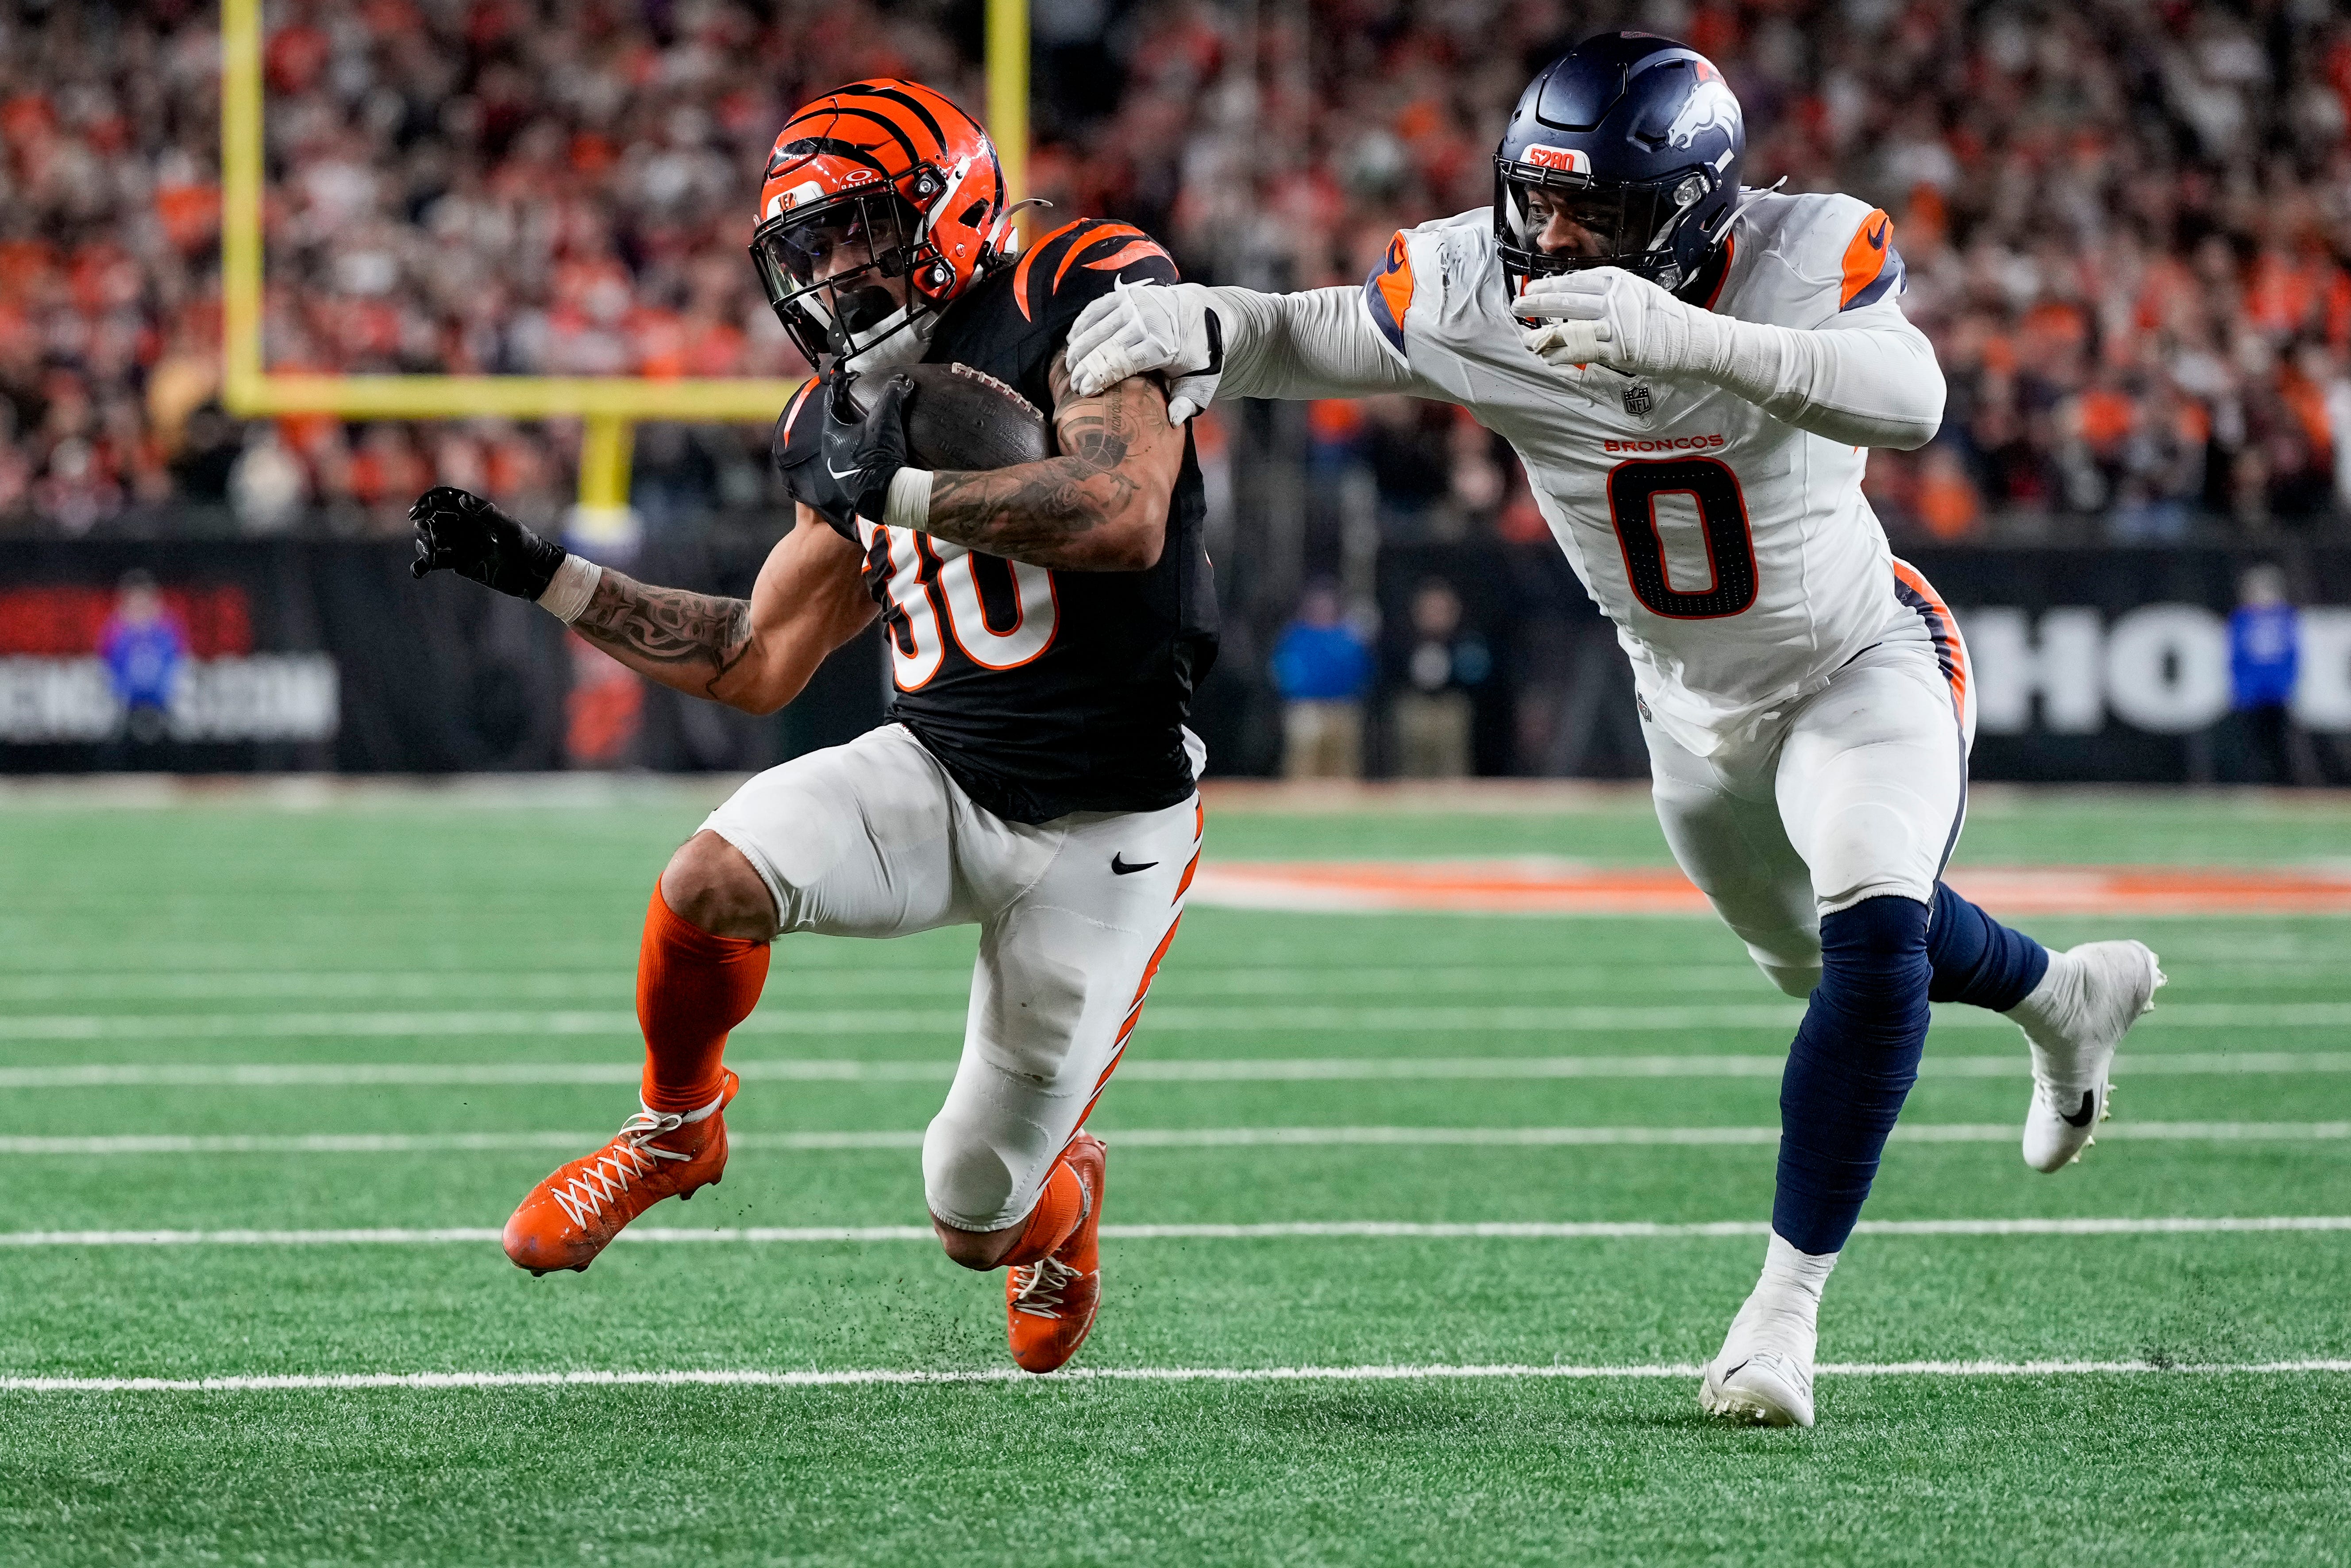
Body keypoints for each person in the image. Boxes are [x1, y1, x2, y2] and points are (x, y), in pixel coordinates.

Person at [1065, 32, 2165, 1426]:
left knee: (1875, 931)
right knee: (1810, 961)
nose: (1562, 237)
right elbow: (1321, 332)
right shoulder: (1473, 283)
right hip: (1687, 711)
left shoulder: (1800, 250)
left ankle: (1782, 1317)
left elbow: (1914, 395)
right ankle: (2061, 996)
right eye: (1543, 200)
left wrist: (1689, 338)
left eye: (1604, 212)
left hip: (1859, 659)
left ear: (1702, 207)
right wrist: (1209, 323)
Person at [410, 78, 1217, 1376]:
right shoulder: (829, 419)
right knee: (707, 879)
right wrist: (539, 572)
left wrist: (896, 483)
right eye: (812, 244)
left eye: (862, 227)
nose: (836, 268)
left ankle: (1064, 1204)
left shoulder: (1087, 285)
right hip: (943, 772)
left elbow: (1119, 512)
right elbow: (754, 658)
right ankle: (678, 1126)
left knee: (973, 1211)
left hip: (1102, 823)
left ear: (947, 211)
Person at [1269, 579, 1372, 777]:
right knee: (1303, 768)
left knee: (1344, 769)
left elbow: (1364, 670)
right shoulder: (1296, 636)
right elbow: (1281, 671)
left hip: (1344, 709)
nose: (1323, 608)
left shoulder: (1350, 635)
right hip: (1306, 710)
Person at [2226, 564, 2312, 785]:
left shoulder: (2286, 617)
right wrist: (2241, 689)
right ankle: (2252, 784)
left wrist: (2288, 686)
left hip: (2277, 693)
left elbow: (2293, 655)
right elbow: (2236, 657)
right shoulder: (2242, 619)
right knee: (2251, 744)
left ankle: (2282, 786)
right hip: (2251, 694)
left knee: (2280, 744)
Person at [98, 570, 186, 747]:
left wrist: (165, 693)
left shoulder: (167, 631)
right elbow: (109, 668)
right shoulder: (115, 632)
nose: (140, 606)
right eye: (134, 602)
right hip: (126, 707)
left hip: (162, 706)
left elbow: (175, 666)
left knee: (177, 744)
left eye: (144, 601)